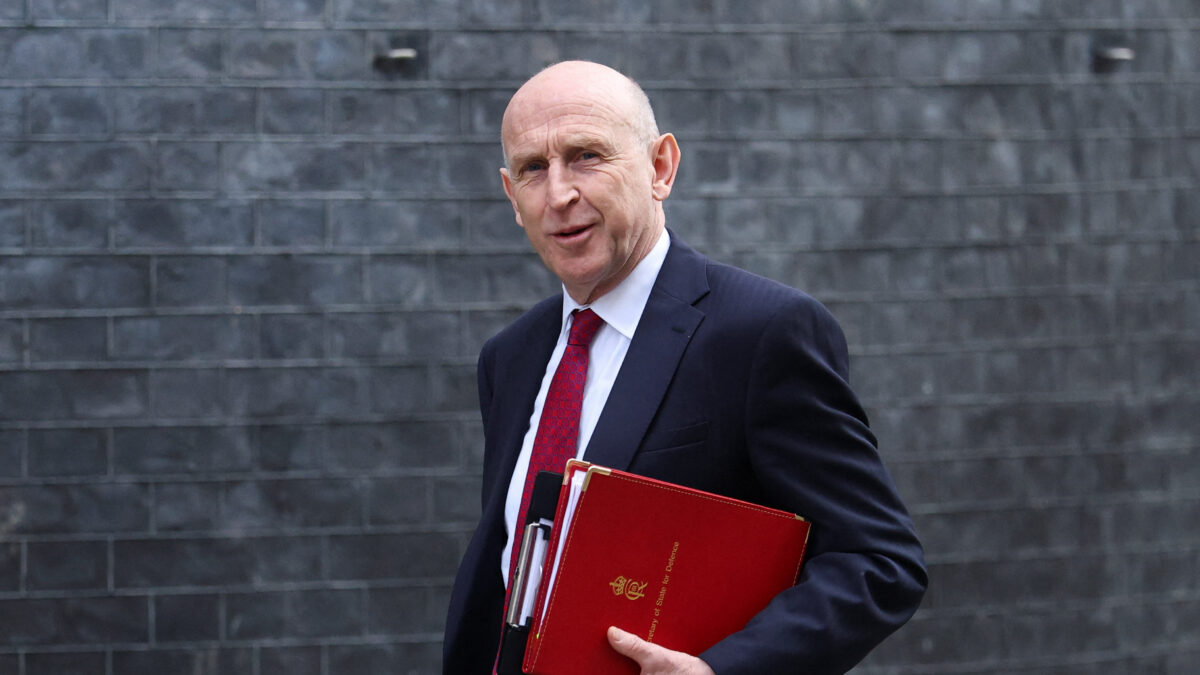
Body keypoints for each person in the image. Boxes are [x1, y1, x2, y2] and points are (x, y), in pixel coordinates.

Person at [443, 60, 926, 675]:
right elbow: (515, 560)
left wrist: (722, 671)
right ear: (513, 197)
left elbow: (880, 561)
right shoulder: (509, 357)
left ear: (660, 167)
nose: (559, 194)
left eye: (587, 156)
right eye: (534, 169)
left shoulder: (760, 333)